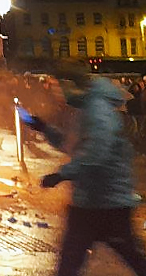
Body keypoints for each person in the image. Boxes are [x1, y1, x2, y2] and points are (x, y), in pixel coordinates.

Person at [24, 65, 146, 276]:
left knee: (126, 256)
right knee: (73, 261)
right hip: (92, 200)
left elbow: (96, 152)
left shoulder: (97, 110)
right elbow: (72, 144)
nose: (55, 92)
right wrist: (43, 127)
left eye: (56, 86)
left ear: (71, 86)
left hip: (107, 201)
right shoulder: (86, 109)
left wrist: (62, 174)